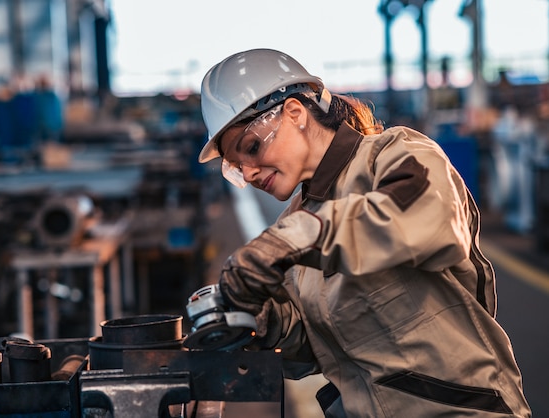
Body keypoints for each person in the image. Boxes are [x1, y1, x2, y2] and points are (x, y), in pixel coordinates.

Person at [196, 48, 531, 417]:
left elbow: (426, 220)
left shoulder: (395, 155)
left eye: (252, 147)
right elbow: (315, 344)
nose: (248, 173)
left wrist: (293, 239)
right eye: (237, 166)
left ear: (294, 113)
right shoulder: (296, 225)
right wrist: (259, 319)